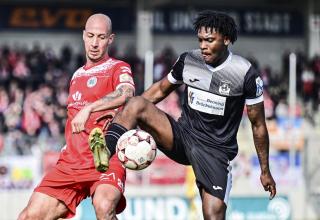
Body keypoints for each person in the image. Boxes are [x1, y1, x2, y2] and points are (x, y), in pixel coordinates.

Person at [93, 10, 276, 219]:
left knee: (213, 213)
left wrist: (264, 170)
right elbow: (160, 90)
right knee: (136, 103)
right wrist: (127, 112)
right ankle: (104, 152)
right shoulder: (188, 60)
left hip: (214, 150)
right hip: (182, 136)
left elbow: (258, 125)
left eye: (209, 40)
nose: (203, 46)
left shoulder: (245, 73)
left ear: (226, 39)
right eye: (200, 40)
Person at [18, 13, 135, 220]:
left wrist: (89, 108)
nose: (95, 43)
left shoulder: (118, 67)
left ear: (111, 39)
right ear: (83, 36)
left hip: (106, 157)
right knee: (29, 216)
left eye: (101, 37)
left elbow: (127, 92)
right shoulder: (77, 75)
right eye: (90, 36)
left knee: (103, 206)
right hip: (71, 162)